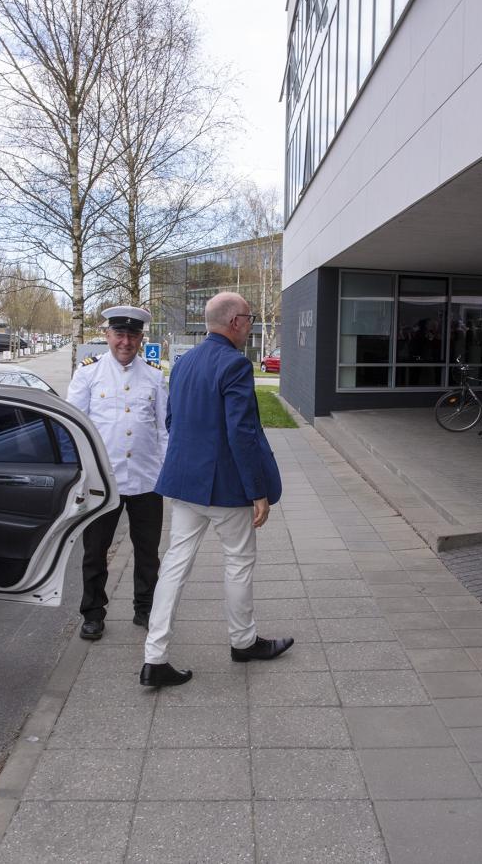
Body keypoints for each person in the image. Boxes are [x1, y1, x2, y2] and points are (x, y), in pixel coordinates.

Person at [140, 292, 290, 687]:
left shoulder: (184, 363)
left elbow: (173, 420)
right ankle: (243, 642)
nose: (252, 325)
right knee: (239, 562)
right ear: (235, 322)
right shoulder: (235, 365)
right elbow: (242, 433)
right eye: (250, 318)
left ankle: (154, 657)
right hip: (225, 489)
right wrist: (258, 490)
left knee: (174, 565)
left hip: (184, 484)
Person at [67, 305, 169, 640]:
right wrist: (80, 475)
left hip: (146, 478)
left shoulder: (154, 376)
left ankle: (145, 608)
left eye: (132, 335)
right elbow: (75, 429)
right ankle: (93, 613)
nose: (125, 341)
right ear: (107, 335)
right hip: (102, 480)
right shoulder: (88, 374)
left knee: (147, 552)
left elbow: (163, 430)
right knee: (95, 552)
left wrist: (169, 474)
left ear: (141, 338)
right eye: (119, 334)